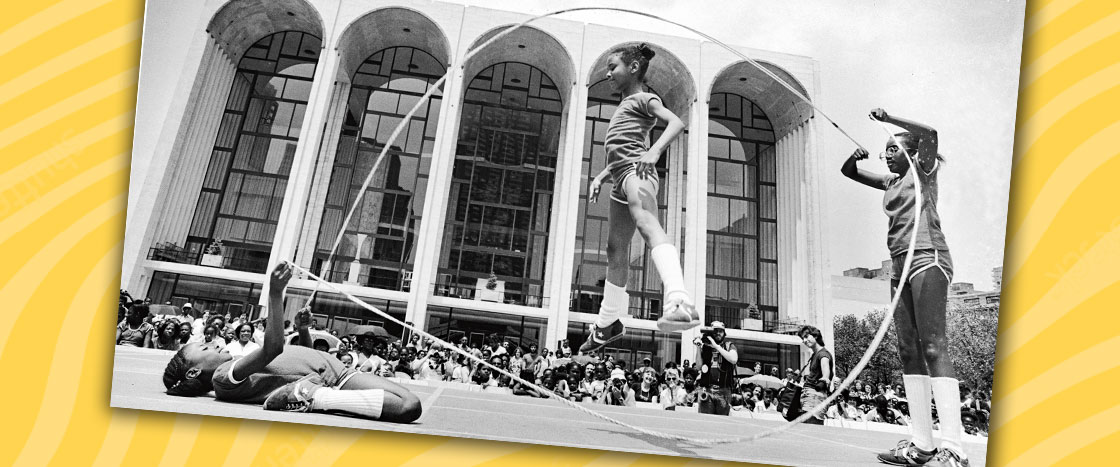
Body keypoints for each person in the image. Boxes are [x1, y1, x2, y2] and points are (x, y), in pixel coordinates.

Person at [842, 108, 967, 467]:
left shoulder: (923, 171)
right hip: (898, 263)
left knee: (932, 345)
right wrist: (854, 157)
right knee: (908, 349)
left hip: (927, 256)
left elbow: (930, 131)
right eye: (884, 150)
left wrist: (890, 116)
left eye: (892, 147)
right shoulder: (890, 182)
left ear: (911, 152)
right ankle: (922, 445)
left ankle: (955, 450)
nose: (886, 153)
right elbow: (849, 173)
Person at [161, 262, 421, 423]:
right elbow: (274, 347)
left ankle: (313, 395)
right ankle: (318, 399)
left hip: (334, 372)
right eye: (205, 348)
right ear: (194, 371)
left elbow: (300, 356)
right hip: (331, 381)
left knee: (410, 401)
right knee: (409, 407)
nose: (215, 344)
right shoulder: (222, 378)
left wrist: (303, 329)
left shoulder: (237, 364)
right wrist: (275, 292)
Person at [579, 43, 697, 354]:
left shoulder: (645, 98)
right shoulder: (624, 105)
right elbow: (621, 148)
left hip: (638, 172)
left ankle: (679, 300)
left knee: (646, 223)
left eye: (612, 67)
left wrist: (655, 151)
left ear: (632, 68)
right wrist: (601, 177)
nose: (607, 74)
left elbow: (676, 122)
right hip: (620, 177)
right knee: (615, 251)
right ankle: (607, 324)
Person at [695, 321, 738, 416]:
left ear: (724, 333)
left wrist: (716, 346)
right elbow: (698, 366)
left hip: (723, 391)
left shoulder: (729, 346)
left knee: (721, 422)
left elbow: (733, 359)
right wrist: (698, 347)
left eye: (720, 331)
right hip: (707, 389)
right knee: (705, 420)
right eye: (715, 331)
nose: (718, 333)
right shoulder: (705, 347)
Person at [794, 325, 832, 425]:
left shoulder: (823, 354)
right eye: (803, 339)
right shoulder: (815, 354)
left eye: (806, 336)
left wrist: (824, 379)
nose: (804, 340)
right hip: (809, 396)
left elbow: (826, 373)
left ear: (815, 336)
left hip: (814, 397)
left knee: (811, 426)